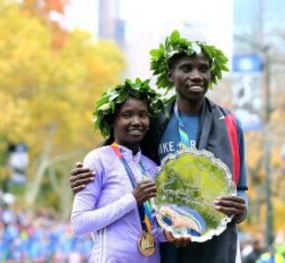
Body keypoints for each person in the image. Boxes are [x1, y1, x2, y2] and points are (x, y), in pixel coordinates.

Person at [70, 31, 249, 263]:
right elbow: (124, 161)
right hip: (166, 251)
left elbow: (242, 191)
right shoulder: (154, 121)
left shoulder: (230, 125)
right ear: (170, 74)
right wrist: (84, 179)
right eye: (186, 68)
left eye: (203, 68)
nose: (196, 75)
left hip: (215, 249)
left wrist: (242, 210)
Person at [70, 78, 187, 262]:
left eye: (142, 115)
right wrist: (132, 199)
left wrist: (167, 234)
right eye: (127, 115)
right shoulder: (98, 159)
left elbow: (149, 227)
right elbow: (79, 224)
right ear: (111, 121)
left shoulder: (152, 167)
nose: (136, 121)